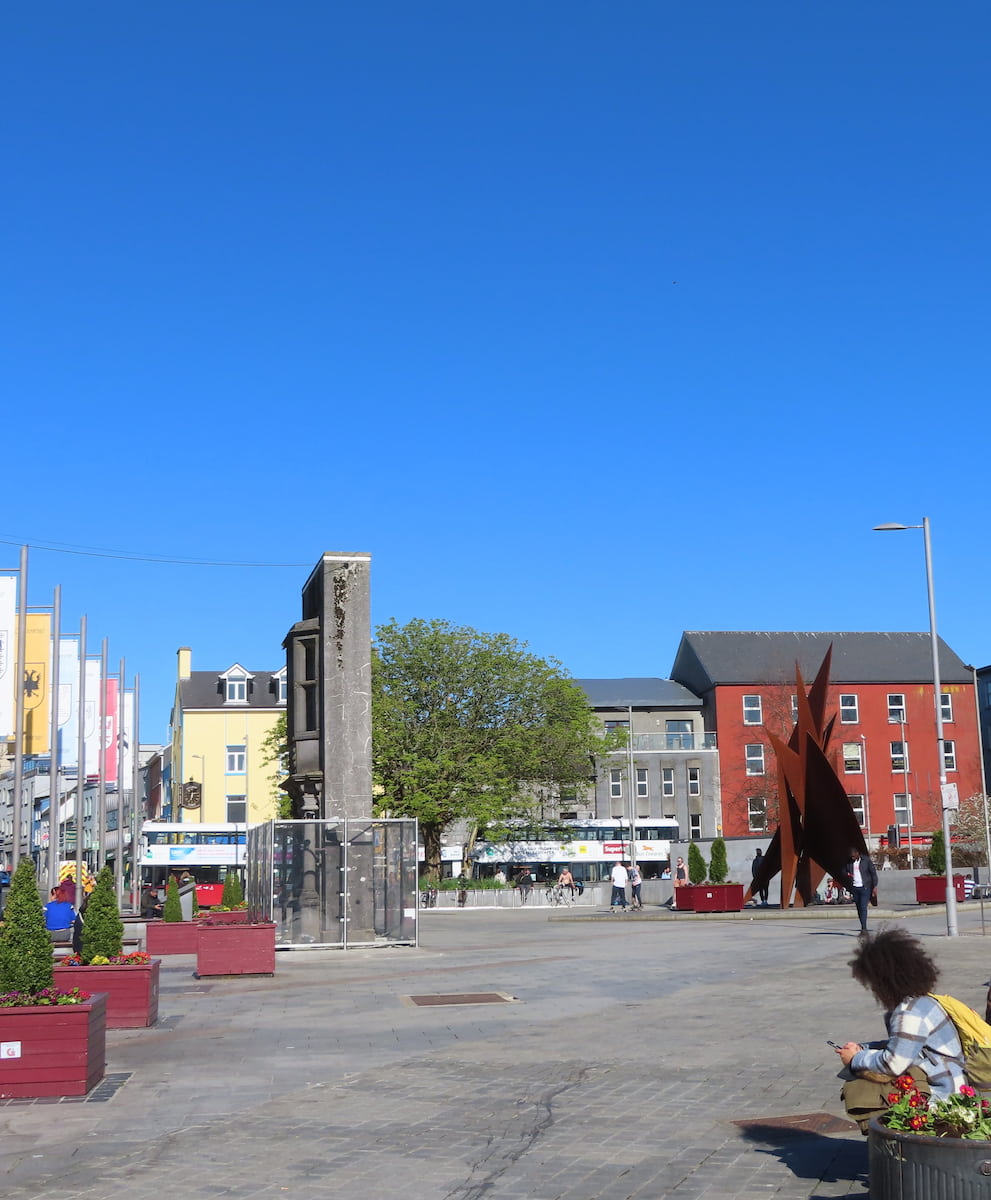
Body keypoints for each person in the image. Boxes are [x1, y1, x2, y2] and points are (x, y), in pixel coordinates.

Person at [835, 927, 966, 1130]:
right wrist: (865, 1047)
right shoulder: (922, 1001)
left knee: (868, 1093)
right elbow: (906, 1046)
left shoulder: (909, 1013)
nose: (873, 989)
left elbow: (894, 1063)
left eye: (872, 983)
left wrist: (855, 1059)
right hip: (950, 1088)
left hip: (941, 1099)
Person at [841, 846, 878, 935]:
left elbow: (873, 873)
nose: (852, 858)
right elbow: (843, 871)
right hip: (855, 888)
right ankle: (863, 925)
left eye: (853, 856)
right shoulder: (849, 862)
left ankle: (864, 928)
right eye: (851, 856)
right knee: (858, 908)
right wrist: (848, 874)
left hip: (865, 887)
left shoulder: (866, 861)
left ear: (857, 854)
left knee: (863, 906)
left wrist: (875, 886)